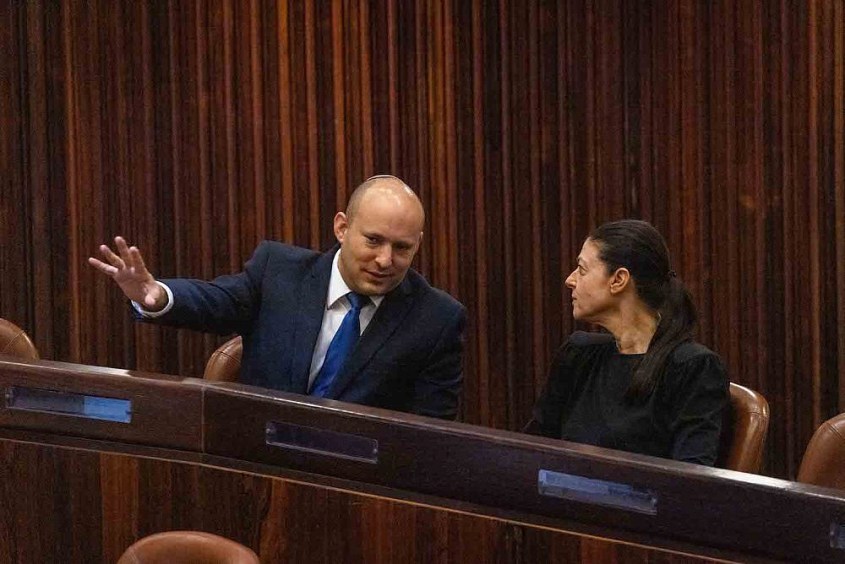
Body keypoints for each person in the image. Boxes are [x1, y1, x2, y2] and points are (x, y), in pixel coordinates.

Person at [88, 175, 466, 419]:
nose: (385, 260)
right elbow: (216, 300)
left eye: (402, 248)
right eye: (373, 241)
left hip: (361, 492)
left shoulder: (436, 320)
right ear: (342, 227)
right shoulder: (279, 273)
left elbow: (429, 438)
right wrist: (157, 295)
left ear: (418, 244)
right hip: (261, 473)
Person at [527, 219, 729, 465]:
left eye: (581, 269)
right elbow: (532, 453)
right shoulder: (577, 355)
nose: (570, 279)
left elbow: (691, 476)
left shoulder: (693, 369)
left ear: (618, 280)